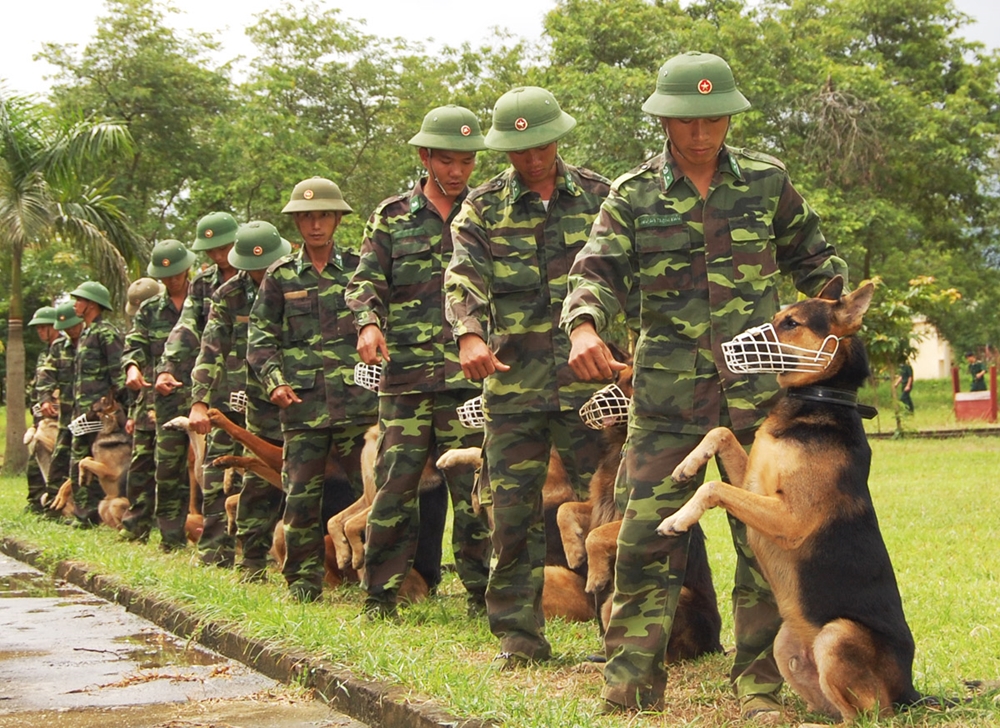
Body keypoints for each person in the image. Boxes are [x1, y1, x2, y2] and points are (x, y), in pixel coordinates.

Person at [561, 51, 849, 719]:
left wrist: (830, 339)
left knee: (762, 548)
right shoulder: (632, 194)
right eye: (687, 120)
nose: (701, 133)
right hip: (664, 403)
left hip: (756, 402)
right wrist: (583, 327)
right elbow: (594, 273)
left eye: (714, 118)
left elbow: (820, 265)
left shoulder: (767, 184)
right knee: (642, 543)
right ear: (663, 118)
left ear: (729, 116)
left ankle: (759, 689)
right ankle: (629, 692)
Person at [444, 86, 611, 666]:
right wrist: (468, 333)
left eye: (539, 145)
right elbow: (463, 277)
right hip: (513, 385)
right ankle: (519, 637)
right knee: (511, 511)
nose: (531, 158)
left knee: (608, 507)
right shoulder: (483, 207)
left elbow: (626, 275)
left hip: (591, 384)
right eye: (517, 149)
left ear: (557, 137)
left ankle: (619, 633)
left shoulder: (599, 196)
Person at [347, 105, 492, 618]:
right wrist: (368, 322)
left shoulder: (486, 211)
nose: (458, 172)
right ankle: (379, 595)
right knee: (394, 486)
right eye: (448, 161)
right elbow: (365, 281)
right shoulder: (391, 216)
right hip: (405, 378)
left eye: (468, 162)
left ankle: (481, 594)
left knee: (473, 490)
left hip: (467, 381)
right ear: (425, 156)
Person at [247, 177, 377, 602]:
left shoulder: (360, 269)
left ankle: (378, 579)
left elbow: (380, 324)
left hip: (358, 406)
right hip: (302, 407)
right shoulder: (280, 276)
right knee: (301, 499)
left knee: (373, 495)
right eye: (306, 217)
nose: (315, 224)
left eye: (322, 215)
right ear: (296, 223)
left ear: (337, 218)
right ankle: (303, 583)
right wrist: (275, 382)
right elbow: (260, 339)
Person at [191, 220, 290, 580]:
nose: (262, 273)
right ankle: (251, 561)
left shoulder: (297, 279)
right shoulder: (229, 294)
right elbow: (211, 347)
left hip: (311, 395)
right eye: (254, 268)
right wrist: (200, 400)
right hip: (261, 399)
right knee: (259, 478)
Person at [154, 212, 239, 553]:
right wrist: (167, 367)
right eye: (211, 251)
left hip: (261, 385)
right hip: (217, 384)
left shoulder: (263, 275)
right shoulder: (204, 284)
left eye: (223, 248)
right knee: (216, 469)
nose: (218, 256)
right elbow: (186, 327)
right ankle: (216, 550)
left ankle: (254, 549)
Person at [120, 244, 196, 544]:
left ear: (186, 269)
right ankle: (157, 531)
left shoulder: (204, 302)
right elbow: (134, 345)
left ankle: (185, 534)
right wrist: (132, 368)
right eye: (164, 276)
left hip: (202, 396)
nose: (171, 280)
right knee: (162, 467)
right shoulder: (150, 309)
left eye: (175, 273)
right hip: (162, 401)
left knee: (199, 469)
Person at [68, 281, 125, 527]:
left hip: (101, 412)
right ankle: (86, 514)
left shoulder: (106, 332)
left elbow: (118, 373)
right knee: (81, 457)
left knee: (88, 458)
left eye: (79, 300)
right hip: (84, 411)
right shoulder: (86, 334)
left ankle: (87, 515)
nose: (75, 304)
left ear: (91, 303)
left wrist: (121, 409)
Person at [36, 302, 85, 510]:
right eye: (65, 328)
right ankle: (54, 507)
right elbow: (46, 374)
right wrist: (45, 398)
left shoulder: (92, 341)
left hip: (89, 415)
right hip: (66, 415)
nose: (69, 331)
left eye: (72, 326)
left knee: (82, 460)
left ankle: (83, 509)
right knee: (59, 460)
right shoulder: (58, 348)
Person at [25, 306, 60, 513]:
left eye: (43, 327)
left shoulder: (64, 348)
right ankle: (35, 501)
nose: (39, 332)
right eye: (38, 328)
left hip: (58, 415)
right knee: (35, 458)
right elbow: (37, 387)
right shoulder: (43, 354)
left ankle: (51, 503)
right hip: (41, 416)